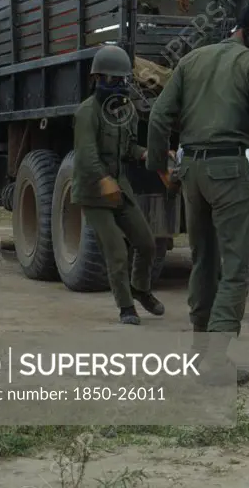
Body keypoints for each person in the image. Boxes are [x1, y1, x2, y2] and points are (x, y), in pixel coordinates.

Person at [146, 0, 249, 385]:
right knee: (235, 268)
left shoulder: (191, 60)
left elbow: (158, 117)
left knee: (203, 262)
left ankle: (200, 356)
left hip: (192, 170)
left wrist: (160, 168)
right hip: (229, 169)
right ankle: (215, 361)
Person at [73, 44, 166, 325]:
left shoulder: (126, 112)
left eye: (120, 79)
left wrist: (145, 153)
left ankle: (140, 289)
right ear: (96, 79)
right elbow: (86, 155)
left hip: (119, 189)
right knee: (115, 251)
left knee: (147, 243)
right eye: (109, 79)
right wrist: (103, 180)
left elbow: (129, 148)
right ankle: (126, 307)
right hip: (93, 193)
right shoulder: (86, 112)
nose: (115, 84)